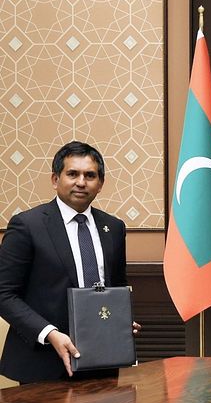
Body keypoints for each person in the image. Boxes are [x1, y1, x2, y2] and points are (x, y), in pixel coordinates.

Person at [0, 141, 133, 383]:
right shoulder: (27, 225)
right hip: (43, 364)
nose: (81, 182)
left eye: (90, 175)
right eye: (72, 174)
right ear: (55, 179)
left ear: (100, 183)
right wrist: (49, 333)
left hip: (101, 361)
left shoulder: (113, 227)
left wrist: (121, 319)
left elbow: (116, 287)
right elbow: (4, 294)